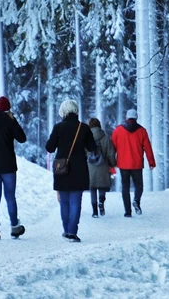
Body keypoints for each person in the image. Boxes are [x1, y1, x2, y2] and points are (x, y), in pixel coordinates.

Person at [45, 99, 96, 242]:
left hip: (62, 168)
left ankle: (66, 230)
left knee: (64, 201)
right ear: (76, 111)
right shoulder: (84, 128)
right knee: (75, 201)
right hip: (79, 168)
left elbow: (49, 147)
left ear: (63, 111)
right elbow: (92, 147)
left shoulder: (58, 127)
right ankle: (73, 232)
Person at [112, 109, 156, 217]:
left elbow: (112, 148)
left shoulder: (118, 130)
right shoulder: (142, 131)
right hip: (136, 164)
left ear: (126, 118)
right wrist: (151, 162)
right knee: (139, 185)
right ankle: (136, 200)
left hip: (123, 164)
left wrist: (111, 164)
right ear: (136, 118)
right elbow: (148, 148)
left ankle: (127, 212)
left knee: (125, 187)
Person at [0, 94, 26, 239]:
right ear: (7, 109)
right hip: (8, 166)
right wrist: (13, 121)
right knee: (10, 197)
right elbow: (22, 138)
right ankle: (15, 227)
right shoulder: (9, 121)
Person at [87, 118, 116, 218]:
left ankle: (95, 212)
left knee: (93, 188)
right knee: (102, 186)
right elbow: (111, 153)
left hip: (91, 167)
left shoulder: (86, 137)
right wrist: (112, 164)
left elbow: (83, 152)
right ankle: (101, 202)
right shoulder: (105, 137)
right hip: (103, 165)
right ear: (99, 125)